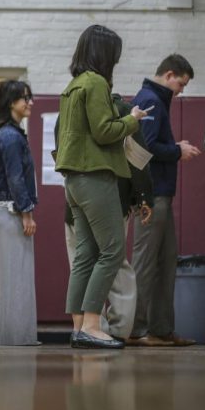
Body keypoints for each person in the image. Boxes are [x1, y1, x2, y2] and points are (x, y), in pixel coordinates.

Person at [55, 24, 148, 349]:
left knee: (86, 254)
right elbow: (105, 131)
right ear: (104, 55)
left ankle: (79, 326)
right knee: (112, 251)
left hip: (74, 181)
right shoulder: (95, 83)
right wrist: (132, 118)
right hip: (95, 175)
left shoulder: (73, 85)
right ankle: (93, 324)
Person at [63, 93, 154, 342]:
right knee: (116, 261)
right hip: (114, 198)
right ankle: (117, 329)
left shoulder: (68, 110)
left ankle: (84, 327)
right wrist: (144, 197)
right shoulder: (123, 110)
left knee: (81, 262)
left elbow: (60, 153)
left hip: (76, 196)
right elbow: (139, 158)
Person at [129, 54, 201, 347]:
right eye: (181, 84)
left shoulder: (153, 99)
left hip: (160, 193)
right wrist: (176, 150)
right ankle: (135, 329)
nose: (181, 90)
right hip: (152, 194)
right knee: (145, 263)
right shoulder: (152, 101)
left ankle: (160, 327)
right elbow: (143, 149)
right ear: (169, 75)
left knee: (165, 260)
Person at [0, 80, 40, 346]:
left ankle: (18, 336)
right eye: (25, 98)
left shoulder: (10, 133)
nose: (30, 102)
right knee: (16, 276)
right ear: (12, 103)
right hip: (12, 212)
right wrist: (27, 213)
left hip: (11, 211)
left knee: (16, 275)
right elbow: (16, 179)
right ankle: (16, 338)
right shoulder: (10, 136)